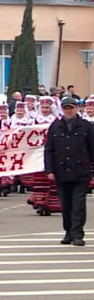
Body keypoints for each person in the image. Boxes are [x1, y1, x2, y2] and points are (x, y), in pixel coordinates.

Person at [44, 96, 94, 246]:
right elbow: (49, 150)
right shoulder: (55, 127)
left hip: (81, 172)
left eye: (71, 108)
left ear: (76, 109)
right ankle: (68, 232)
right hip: (61, 171)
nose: (69, 111)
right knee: (65, 205)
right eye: (66, 108)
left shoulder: (86, 127)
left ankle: (78, 234)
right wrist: (49, 170)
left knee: (78, 204)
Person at [30, 97, 61, 216]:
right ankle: (40, 202)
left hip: (52, 152)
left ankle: (50, 203)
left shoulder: (56, 120)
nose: (45, 110)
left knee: (51, 177)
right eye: (43, 107)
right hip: (38, 151)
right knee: (39, 177)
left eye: (47, 108)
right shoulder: (35, 120)